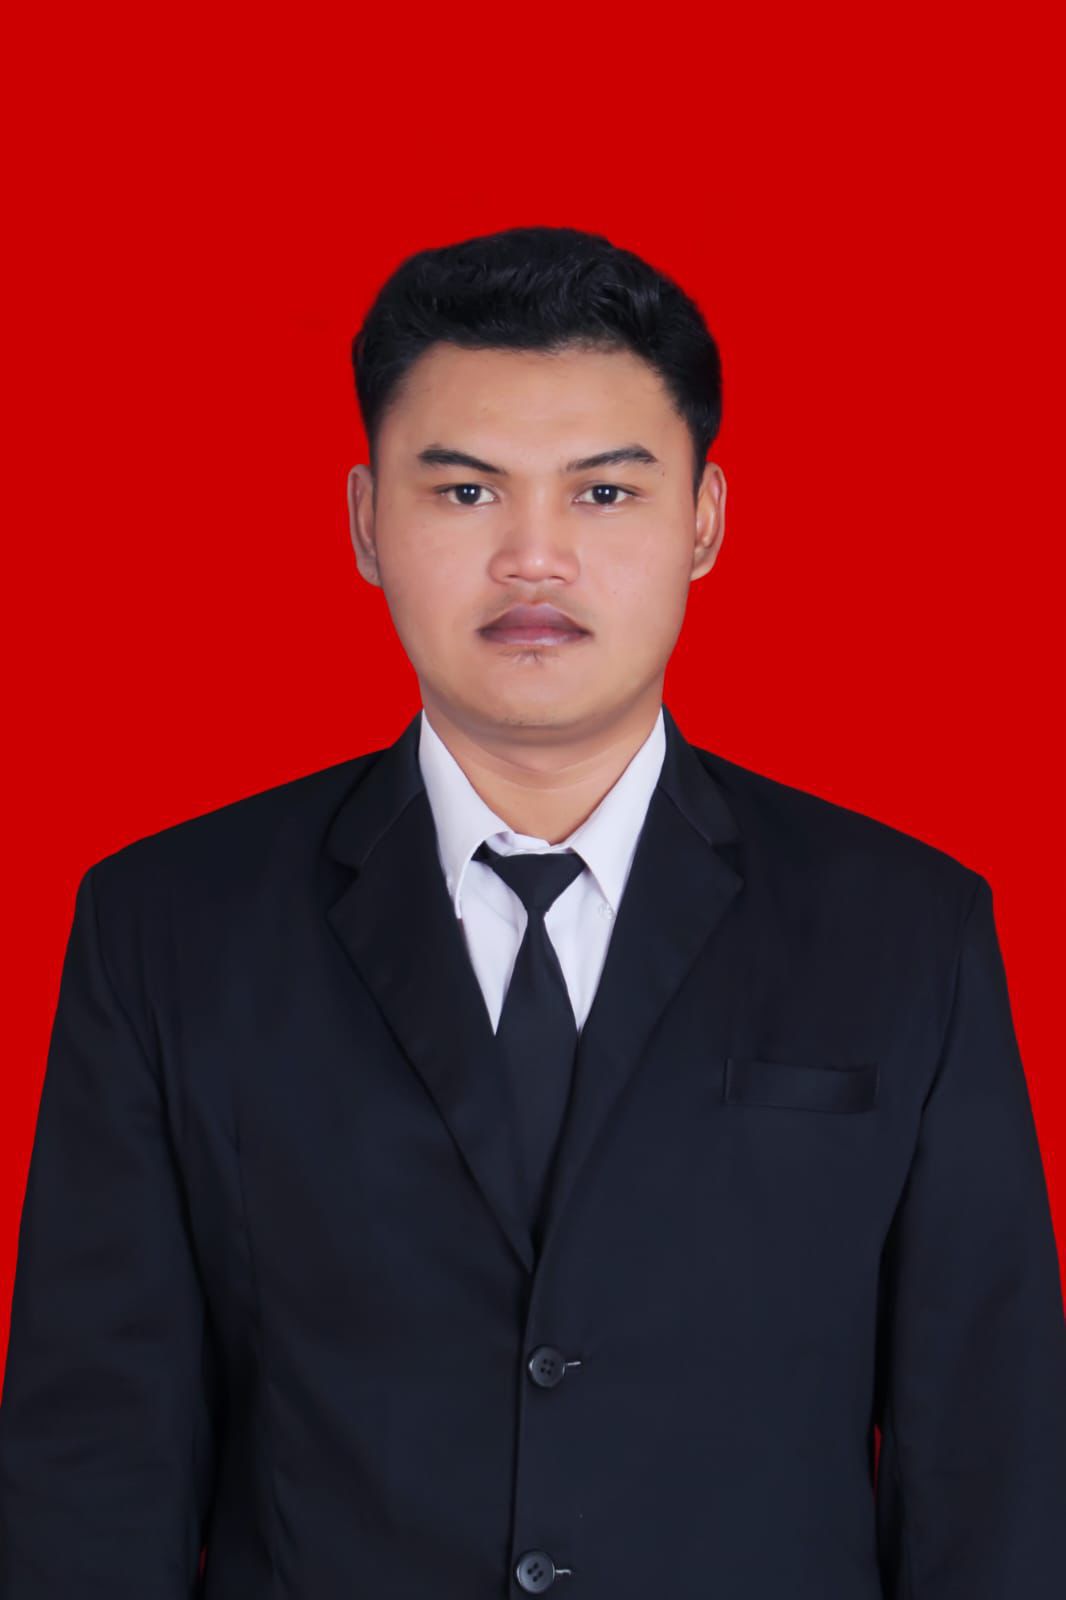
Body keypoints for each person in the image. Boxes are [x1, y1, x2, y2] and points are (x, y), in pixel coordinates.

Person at [1, 224, 1063, 1598]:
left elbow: (990, 1459)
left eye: (605, 493)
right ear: (366, 522)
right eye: (465, 492)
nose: (533, 559)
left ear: (704, 519)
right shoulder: (167, 925)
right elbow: (94, 1458)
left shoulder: (907, 929)